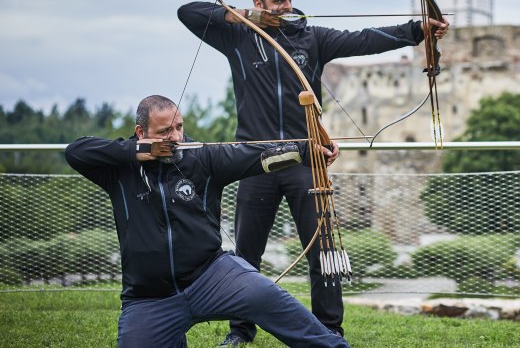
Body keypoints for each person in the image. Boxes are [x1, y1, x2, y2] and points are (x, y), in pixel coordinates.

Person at [178, 0, 449, 345]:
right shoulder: (239, 36)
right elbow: (187, 12)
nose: (288, 6)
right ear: (259, 4)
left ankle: (329, 327)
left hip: (306, 160)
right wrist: (246, 18)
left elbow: (366, 39)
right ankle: (241, 330)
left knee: (323, 251)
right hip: (254, 161)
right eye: (278, 2)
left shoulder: (311, 37)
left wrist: (418, 30)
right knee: (246, 257)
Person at [65, 94, 348, 348]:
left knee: (268, 297)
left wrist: (306, 151)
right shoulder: (120, 170)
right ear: (141, 132)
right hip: (149, 298)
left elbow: (258, 155)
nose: (176, 137)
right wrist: (135, 152)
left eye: (179, 127)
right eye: (165, 131)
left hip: (212, 276)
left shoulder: (201, 156)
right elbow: (75, 152)